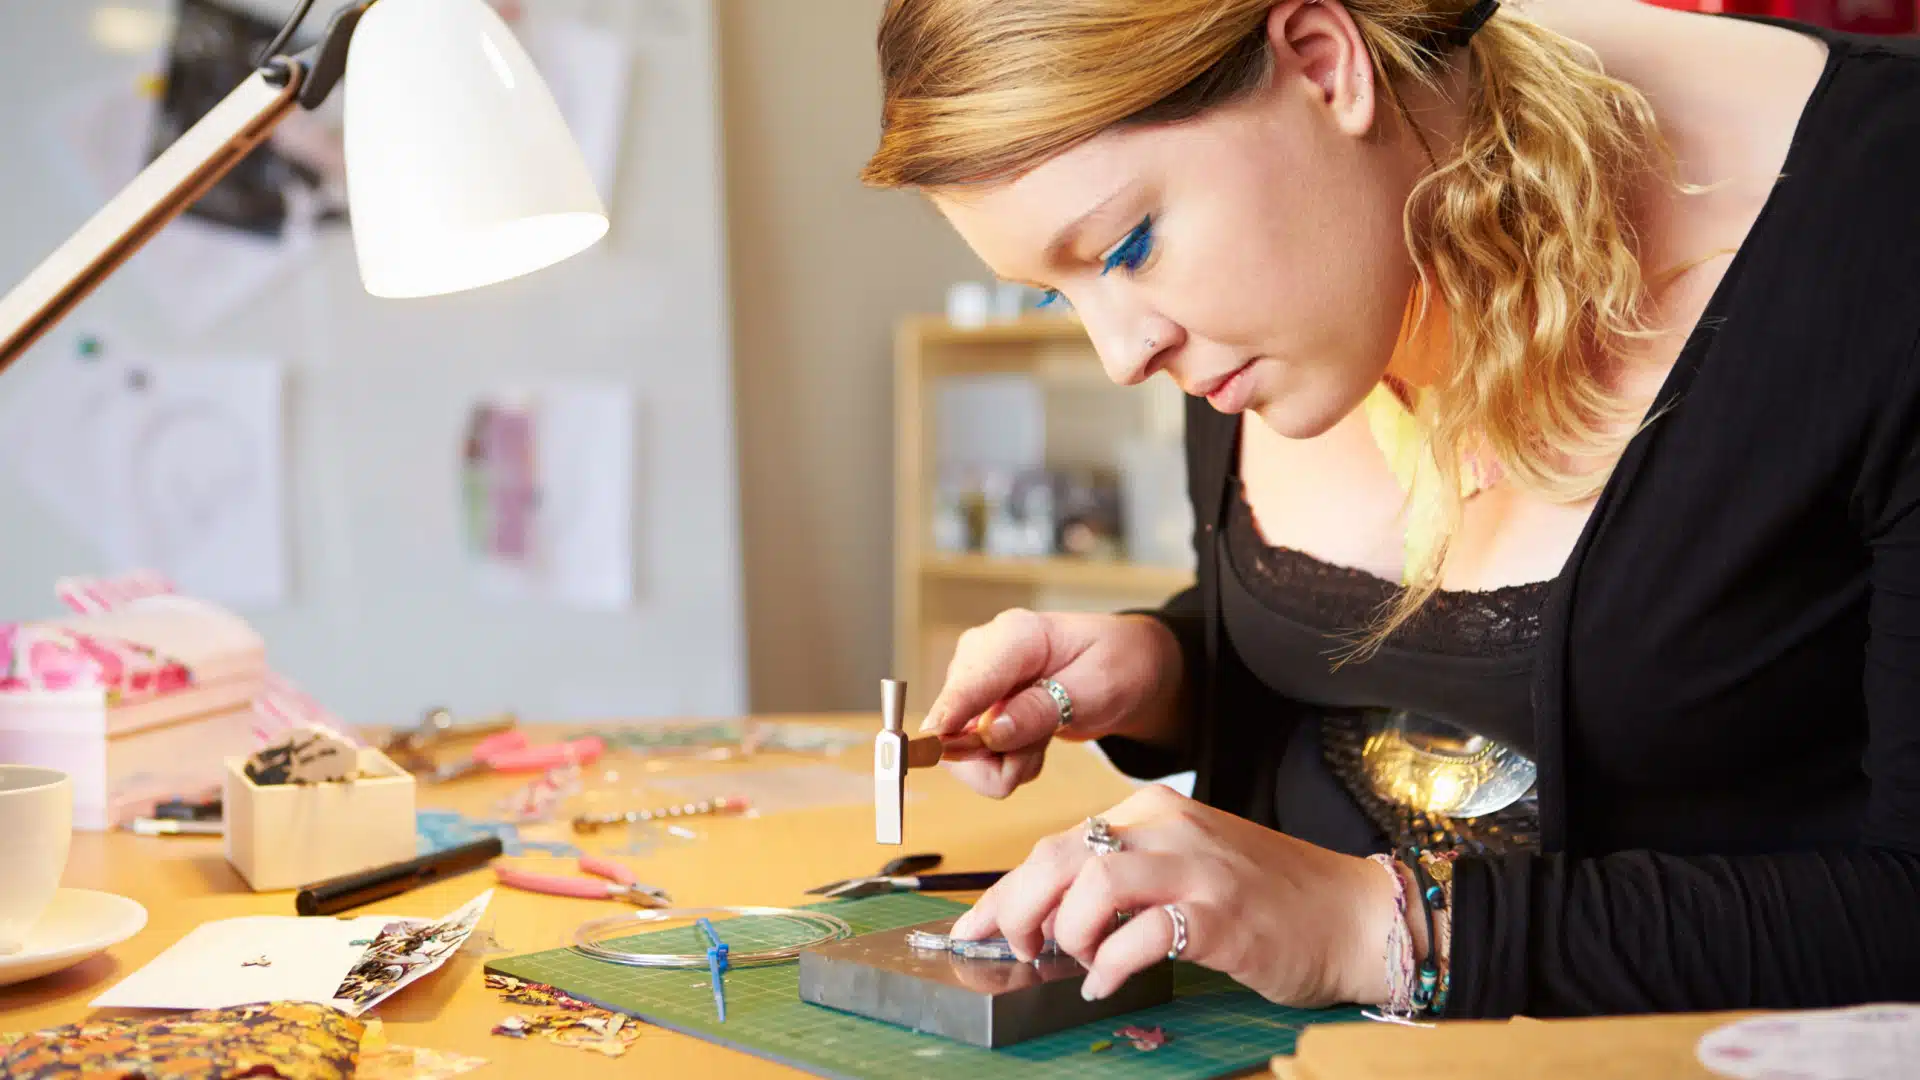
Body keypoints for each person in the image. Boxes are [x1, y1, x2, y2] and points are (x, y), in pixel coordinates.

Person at [862, 0, 1920, 1020]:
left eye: (1127, 249)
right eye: (1058, 293)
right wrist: (1171, 667)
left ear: (1325, 63)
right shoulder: (1279, 301)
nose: (1123, 355)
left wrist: (1374, 930)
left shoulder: (1882, 228)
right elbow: (1411, 663)